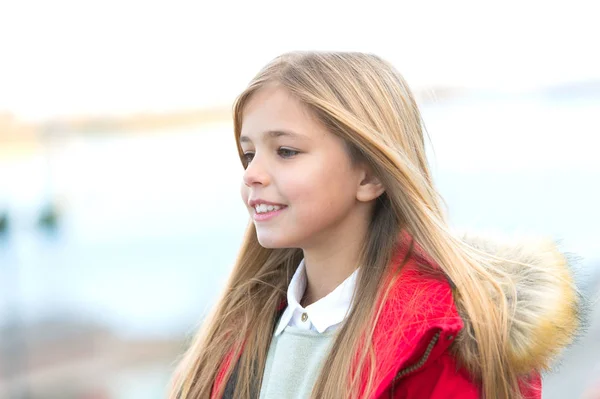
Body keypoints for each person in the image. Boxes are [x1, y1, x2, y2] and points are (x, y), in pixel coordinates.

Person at [169, 51, 582, 399]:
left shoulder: (445, 347)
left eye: (286, 151)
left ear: (369, 176)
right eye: (247, 154)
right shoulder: (236, 334)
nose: (252, 174)